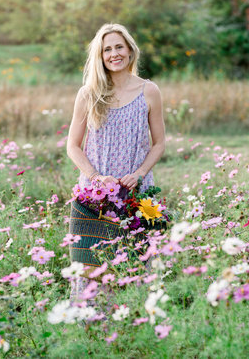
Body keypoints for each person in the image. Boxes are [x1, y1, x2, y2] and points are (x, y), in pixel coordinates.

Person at [66, 23, 165, 298]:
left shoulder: (149, 91)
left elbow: (159, 143)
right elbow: (73, 146)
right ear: (100, 56)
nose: (114, 54)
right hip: (93, 198)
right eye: (107, 49)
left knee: (136, 270)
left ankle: (134, 334)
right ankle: (90, 333)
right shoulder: (88, 93)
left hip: (137, 195)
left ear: (130, 51)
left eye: (119, 47)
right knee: (89, 273)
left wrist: (140, 173)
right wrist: (96, 178)